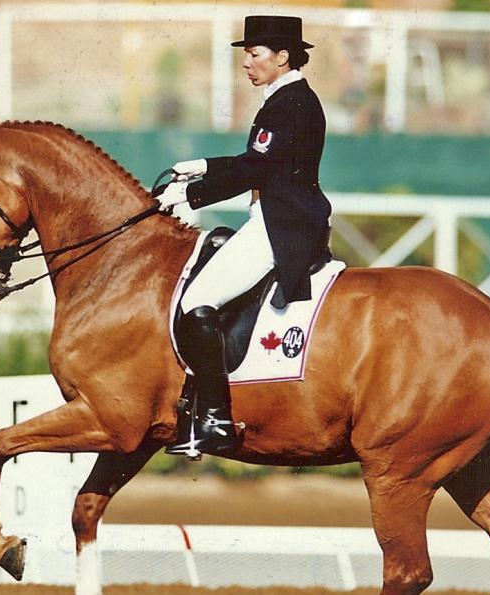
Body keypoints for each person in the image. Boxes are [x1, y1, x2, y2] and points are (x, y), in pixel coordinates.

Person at [160, 15, 332, 456]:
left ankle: (215, 419)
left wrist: (190, 197)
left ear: (283, 57)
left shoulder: (289, 103)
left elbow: (257, 169)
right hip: (279, 220)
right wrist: (199, 167)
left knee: (198, 301)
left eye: (254, 55)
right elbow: (252, 158)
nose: (246, 64)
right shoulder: (287, 98)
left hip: (279, 227)